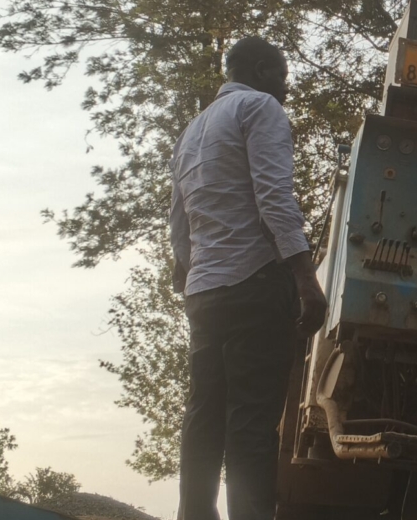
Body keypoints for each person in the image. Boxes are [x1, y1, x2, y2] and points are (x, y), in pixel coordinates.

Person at [169, 36, 328, 520]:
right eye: (281, 76)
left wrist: (188, 276)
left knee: (203, 419)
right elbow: (274, 196)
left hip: (205, 293)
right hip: (256, 283)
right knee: (252, 424)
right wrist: (305, 278)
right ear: (261, 70)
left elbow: (178, 222)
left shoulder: (192, 131)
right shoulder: (260, 108)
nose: (285, 88)